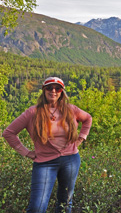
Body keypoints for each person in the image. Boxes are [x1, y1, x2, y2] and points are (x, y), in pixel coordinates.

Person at [2, 77, 92, 213]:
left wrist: (81, 138)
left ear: (62, 91)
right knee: (37, 207)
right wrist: (27, 152)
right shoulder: (32, 112)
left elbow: (88, 119)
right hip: (45, 163)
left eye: (58, 88)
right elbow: (9, 133)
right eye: (49, 88)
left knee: (65, 203)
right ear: (44, 90)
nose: (53, 91)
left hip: (71, 160)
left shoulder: (71, 109)